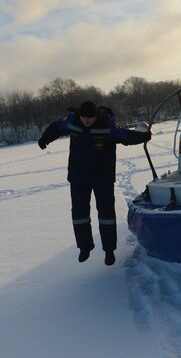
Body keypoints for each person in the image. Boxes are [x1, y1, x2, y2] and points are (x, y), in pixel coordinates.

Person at [38, 101, 151, 265]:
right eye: (83, 117)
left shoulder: (107, 125)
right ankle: (84, 247)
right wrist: (45, 139)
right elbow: (57, 127)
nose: (86, 121)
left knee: (106, 214)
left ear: (95, 116)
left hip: (102, 178)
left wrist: (143, 136)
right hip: (78, 177)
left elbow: (125, 136)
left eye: (89, 118)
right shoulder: (73, 121)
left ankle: (109, 250)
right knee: (79, 214)